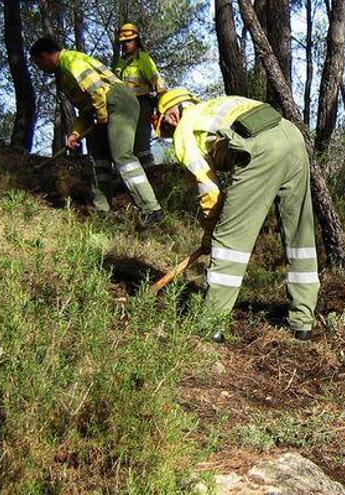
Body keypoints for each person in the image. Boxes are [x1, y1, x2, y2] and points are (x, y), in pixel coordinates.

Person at [152, 88, 320, 342]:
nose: (167, 136)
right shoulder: (215, 106)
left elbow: (209, 191)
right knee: (300, 236)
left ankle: (211, 326)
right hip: (293, 137)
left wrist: (210, 232)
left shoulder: (185, 129)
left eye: (165, 129)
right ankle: (303, 323)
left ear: (172, 115)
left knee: (230, 241)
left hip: (262, 148)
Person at [29, 37, 164, 226]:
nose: (39, 68)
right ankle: (102, 209)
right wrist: (75, 133)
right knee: (99, 159)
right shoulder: (61, 75)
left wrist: (102, 114)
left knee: (122, 156)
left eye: (37, 63)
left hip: (116, 100)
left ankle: (152, 209)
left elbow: (96, 89)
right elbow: (85, 109)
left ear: (43, 56)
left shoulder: (70, 61)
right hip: (101, 107)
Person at [112, 23, 167, 169]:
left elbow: (158, 84)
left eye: (129, 41)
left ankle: (151, 173)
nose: (125, 45)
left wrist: (162, 107)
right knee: (125, 145)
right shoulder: (120, 63)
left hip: (142, 105)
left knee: (141, 143)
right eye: (123, 42)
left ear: (136, 41)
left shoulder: (144, 60)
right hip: (123, 109)